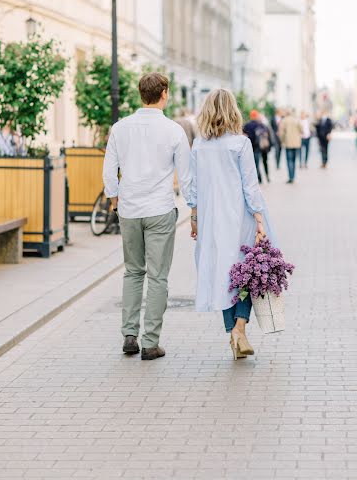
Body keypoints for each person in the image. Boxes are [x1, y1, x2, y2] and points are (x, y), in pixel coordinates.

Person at [103, 72, 191, 361]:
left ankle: (129, 334)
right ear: (164, 93)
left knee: (132, 271)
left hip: (129, 209)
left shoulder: (120, 128)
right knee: (158, 277)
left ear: (141, 93)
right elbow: (186, 175)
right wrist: (194, 209)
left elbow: (109, 167)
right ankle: (150, 342)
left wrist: (114, 197)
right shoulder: (174, 130)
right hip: (160, 210)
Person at [188, 89, 276, 360]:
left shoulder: (199, 145)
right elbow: (250, 187)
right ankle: (240, 328)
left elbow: (192, 188)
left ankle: (235, 334)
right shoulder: (240, 144)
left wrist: (194, 219)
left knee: (224, 274)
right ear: (233, 111)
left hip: (211, 219)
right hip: (240, 218)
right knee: (246, 271)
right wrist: (260, 220)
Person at [243, 110, 272, 183]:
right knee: (265, 162)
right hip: (264, 147)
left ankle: (260, 179)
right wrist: (269, 147)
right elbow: (268, 136)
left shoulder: (247, 125)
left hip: (254, 147)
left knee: (256, 163)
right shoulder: (262, 125)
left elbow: (244, 136)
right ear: (257, 116)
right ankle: (267, 176)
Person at [278, 109, 302, 184]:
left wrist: (282, 141)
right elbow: (301, 130)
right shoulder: (296, 120)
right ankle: (293, 176)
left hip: (288, 143)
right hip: (296, 143)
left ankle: (291, 177)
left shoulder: (284, 120)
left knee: (289, 161)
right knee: (294, 160)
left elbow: (281, 133)